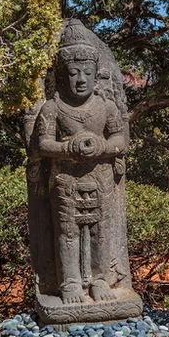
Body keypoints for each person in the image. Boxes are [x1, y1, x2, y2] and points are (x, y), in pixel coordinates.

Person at [34, 33, 126, 304]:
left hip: (101, 178)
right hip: (65, 180)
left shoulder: (106, 107)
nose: (81, 79)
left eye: (87, 72)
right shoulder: (53, 108)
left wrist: (102, 147)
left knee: (101, 231)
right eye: (74, 73)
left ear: (97, 75)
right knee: (67, 232)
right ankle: (70, 282)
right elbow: (43, 144)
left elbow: (120, 139)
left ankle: (100, 280)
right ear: (63, 76)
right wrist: (68, 148)